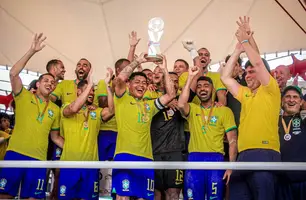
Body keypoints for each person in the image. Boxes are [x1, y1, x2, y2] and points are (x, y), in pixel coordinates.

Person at [220, 26, 281, 200]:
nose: (247, 75)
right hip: (243, 155)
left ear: (264, 75)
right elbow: (225, 77)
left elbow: (259, 63)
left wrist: (246, 41)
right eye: (246, 72)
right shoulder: (245, 93)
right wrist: (238, 49)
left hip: (265, 153)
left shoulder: (271, 90)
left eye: (251, 72)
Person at [0, 33, 63, 199]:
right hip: (15, 154)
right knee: (4, 195)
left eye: (53, 83)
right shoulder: (23, 96)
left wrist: (75, 148)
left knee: (34, 198)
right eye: (46, 81)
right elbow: (13, 74)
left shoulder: (55, 110)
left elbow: (55, 137)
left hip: (39, 159)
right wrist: (32, 51)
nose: (50, 83)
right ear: (38, 83)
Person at [112, 53, 176, 200]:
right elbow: (120, 79)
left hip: (146, 158)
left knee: (145, 198)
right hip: (124, 155)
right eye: (137, 82)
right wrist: (138, 61)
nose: (141, 85)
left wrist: (165, 70)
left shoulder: (150, 105)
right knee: (123, 197)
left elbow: (171, 94)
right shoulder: (122, 98)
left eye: (144, 83)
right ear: (129, 85)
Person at [178, 66, 237, 200]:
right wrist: (190, 79)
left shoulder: (224, 111)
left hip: (216, 159)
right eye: (199, 86)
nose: (202, 89)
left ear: (213, 89)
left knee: (215, 198)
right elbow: (181, 104)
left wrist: (231, 166)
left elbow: (233, 141)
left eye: (206, 86)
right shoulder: (192, 109)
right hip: (194, 159)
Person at [58, 68, 114, 200]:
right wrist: (89, 84)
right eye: (89, 90)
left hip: (91, 166)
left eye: (93, 91)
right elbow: (74, 108)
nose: (92, 92)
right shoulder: (66, 106)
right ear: (78, 92)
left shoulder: (96, 111)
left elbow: (111, 110)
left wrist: (107, 86)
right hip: (70, 165)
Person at [150, 72, 185, 200]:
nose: (174, 83)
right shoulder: (152, 97)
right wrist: (165, 102)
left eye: (176, 81)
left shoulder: (183, 100)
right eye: (170, 81)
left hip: (175, 153)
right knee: (155, 194)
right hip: (155, 152)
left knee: (173, 194)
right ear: (163, 83)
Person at [95, 58, 131, 162]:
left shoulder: (129, 87)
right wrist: (115, 88)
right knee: (101, 166)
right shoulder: (105, 83)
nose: (130, 71)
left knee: (115, 166)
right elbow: (103, 104)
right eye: (126, 69)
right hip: (104, 130)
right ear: (118, 70)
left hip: (121, 132)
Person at [278, 86, 306, 200]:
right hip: (280, 183)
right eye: (287, 97)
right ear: (281, 101)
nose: (291, 100)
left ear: (301, 102)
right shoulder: (273, 120)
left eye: (295, 97)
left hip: (303, 181)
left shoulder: (303, 119)